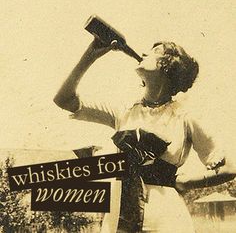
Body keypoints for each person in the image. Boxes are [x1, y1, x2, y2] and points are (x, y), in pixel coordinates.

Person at [54, 38, 236, 233]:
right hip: (119, 215)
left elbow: (229, 168)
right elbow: (64, 99)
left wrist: (187, 182)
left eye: (156, 50)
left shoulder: (184, 117)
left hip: (165, 218)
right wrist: (90, 55)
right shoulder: (123, 111)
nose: (144, 53)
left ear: (169, 66)